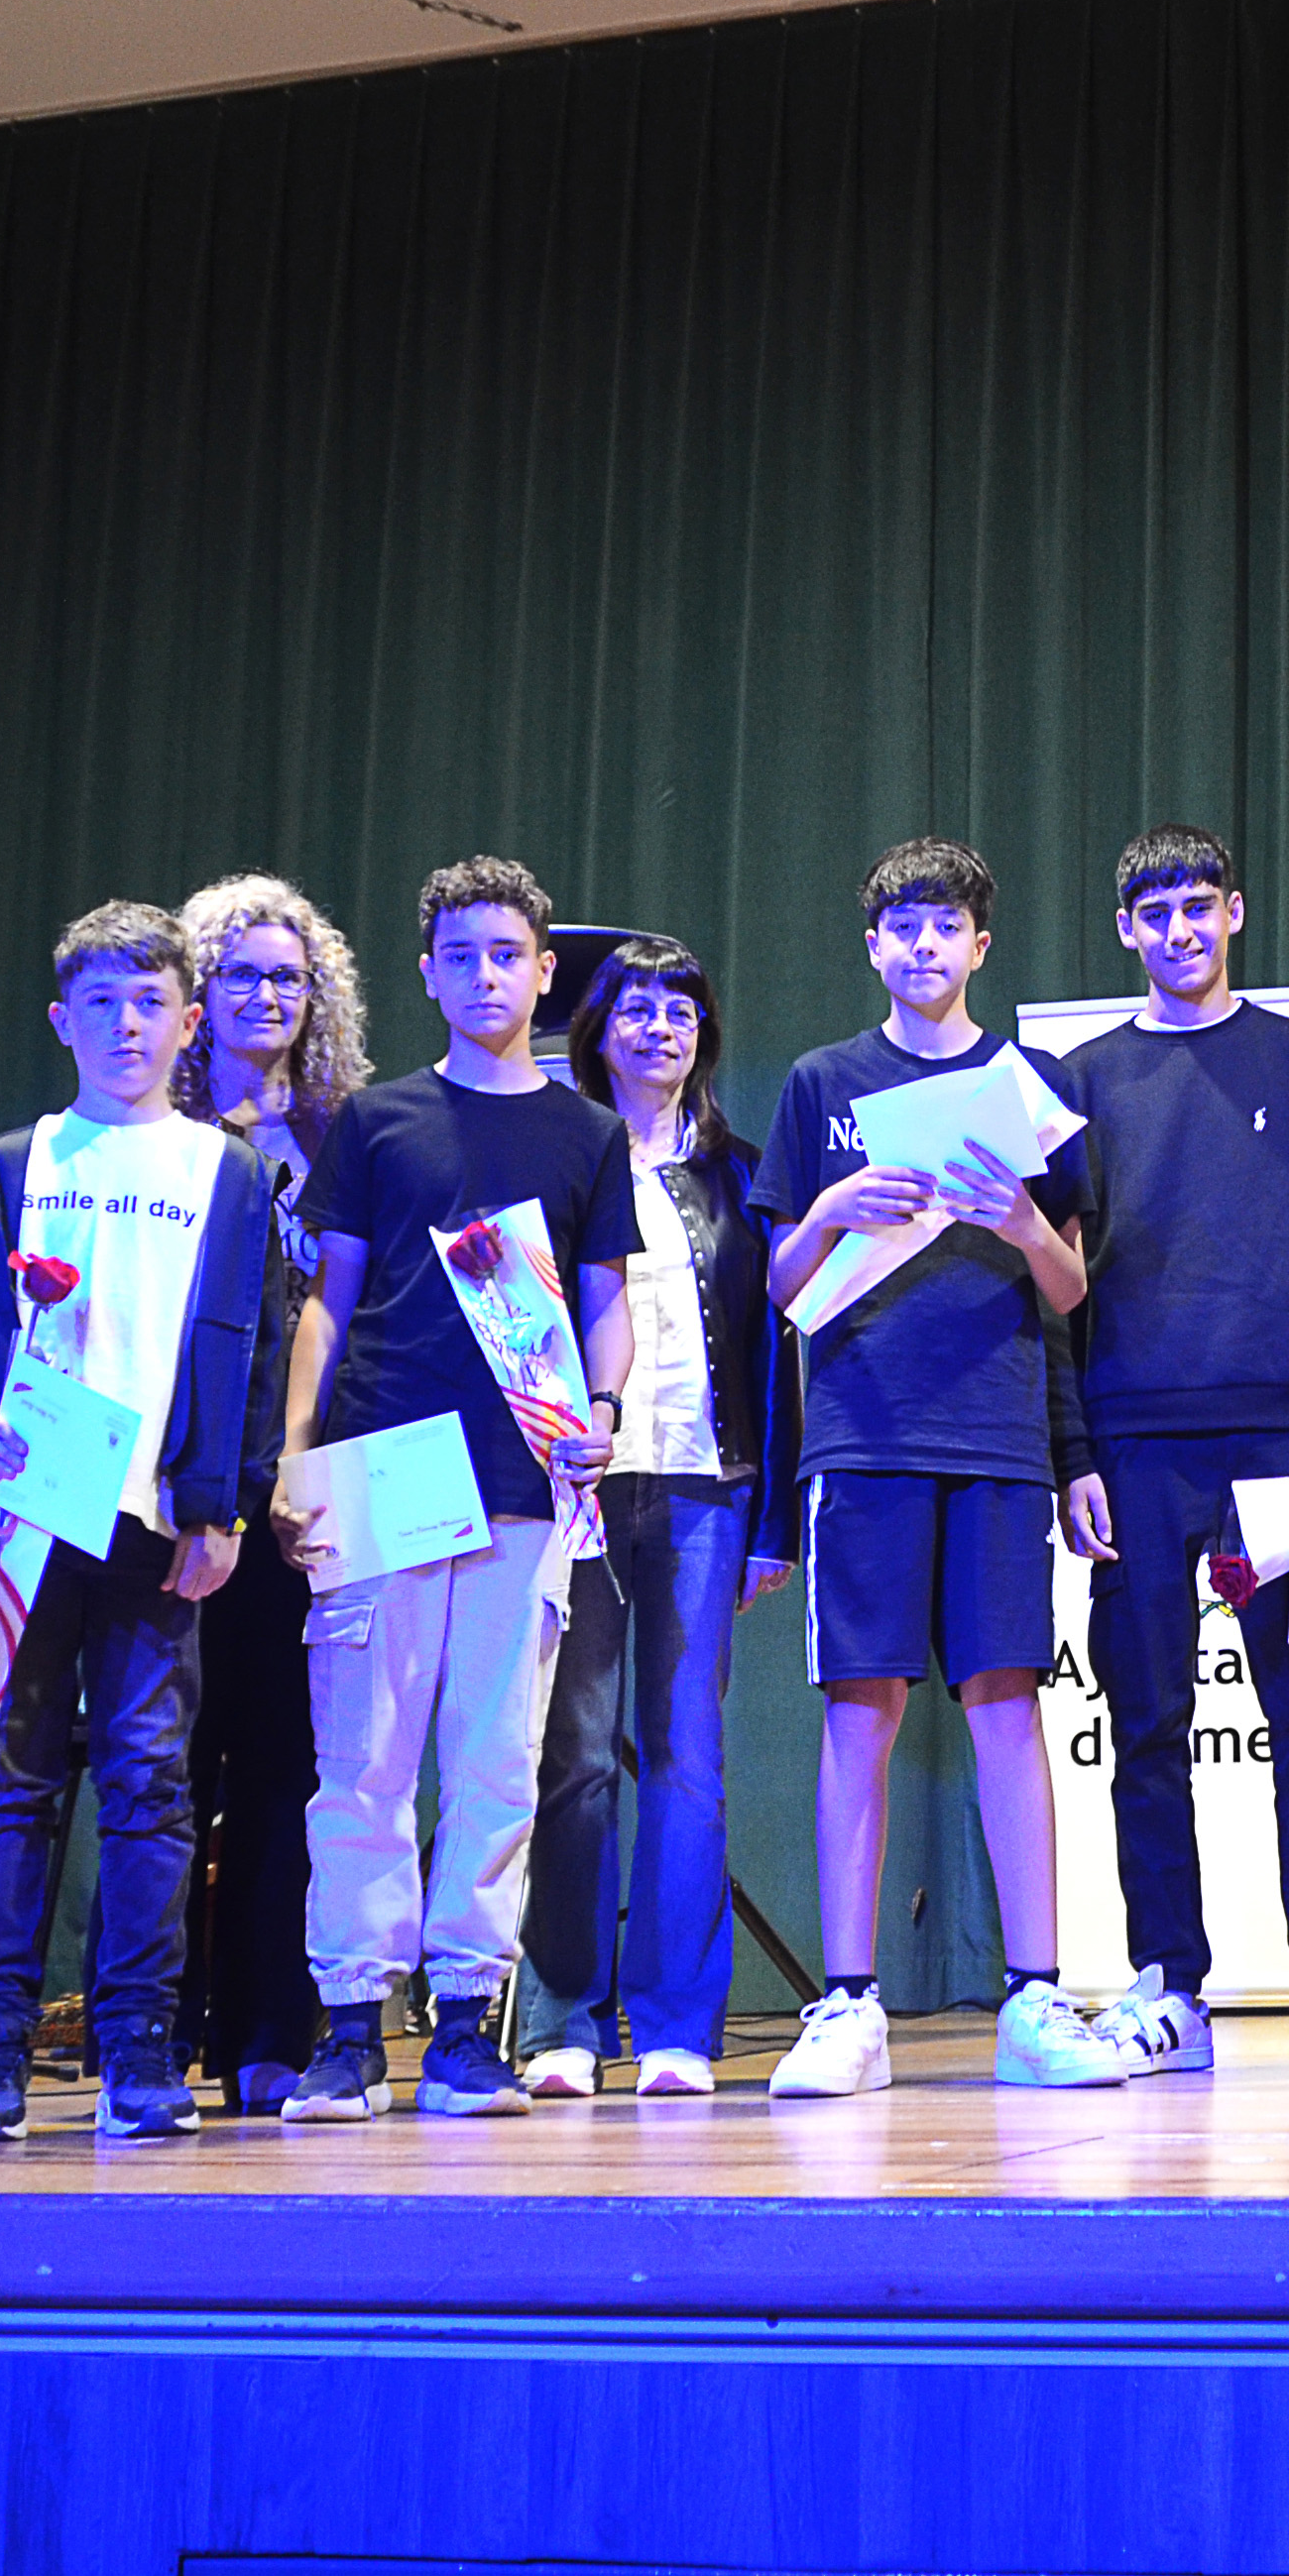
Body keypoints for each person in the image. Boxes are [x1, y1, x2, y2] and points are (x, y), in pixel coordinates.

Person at [751, 838, 1132, 2097]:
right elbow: (778, 1286)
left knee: (1006, 1703)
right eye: (903, 928)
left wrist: (1019, 1221)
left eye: (946, 926)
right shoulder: (822, 1083)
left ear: (980, 945)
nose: (924, 946)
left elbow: (1069, 1288)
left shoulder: (1030, 1085)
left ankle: (1036, 1995)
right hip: (860, 1435)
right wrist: (830, 1213)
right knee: (859, 1708)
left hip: (998, 1437)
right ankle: (848, 2004)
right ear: (873, 948)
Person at [0, 902, 289, 2142]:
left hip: (156, 1518)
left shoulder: (228, 1174)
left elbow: (257, 1353)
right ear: (62, 1020)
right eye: (103, 1004)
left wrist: (225, 1507)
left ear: (189, 1022)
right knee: (7, 1782)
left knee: (150, 1786)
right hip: (25, 1513)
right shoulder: (6, 1168)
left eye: (151, 1004)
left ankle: (137, 2047)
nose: (127, 1026)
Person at [268, 856, 639, 2123]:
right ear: (427, 973)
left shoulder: (587, 1133)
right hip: (380, 1467)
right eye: (463, 955)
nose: (487, 976)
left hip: (522, 1477)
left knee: (496, 1762)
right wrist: (295, 1454)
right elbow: (328, 1301)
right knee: (360, 1761)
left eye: (509, 955)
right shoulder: (378, 1122)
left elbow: (607, 1302)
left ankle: (468, 2026)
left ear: (544, 973)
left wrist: (598, 1413)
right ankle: (348, 2026)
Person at [1058, 829, 1289, 2074]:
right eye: (1153, 913)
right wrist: (1072, 1449)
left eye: (1197, 907)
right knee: (1145, 1725)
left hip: (1284, 1442)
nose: (1178, 931)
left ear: (1236, 912)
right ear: (1124, 929)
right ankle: (1167, 1987)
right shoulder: (1080, 1079)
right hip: (1132, 1443)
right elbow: (1055, 1281)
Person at [519, 937, 794, 2099]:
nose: (659, 1028)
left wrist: (774, 1521)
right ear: (597, 1031)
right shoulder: (554, 1161)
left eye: (680, 1009)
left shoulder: (742, 1176)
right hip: (572, 1488)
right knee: (573, 1756)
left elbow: (777, 1353)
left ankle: (677, 2025)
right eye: (635, 1009)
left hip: (701, 1486)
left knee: (688, 1758)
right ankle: (562, 2026)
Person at [172, 872, 370, 2110]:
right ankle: (151, 2033)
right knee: (167, 1766)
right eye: (239, 975)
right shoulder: (155, 1129)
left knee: (287, 1766)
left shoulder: (350, 1135)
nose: (265, 996)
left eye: (287, 977)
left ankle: (266, 2035)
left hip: (308, 1490)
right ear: (197, 995)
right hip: (181, 1489)